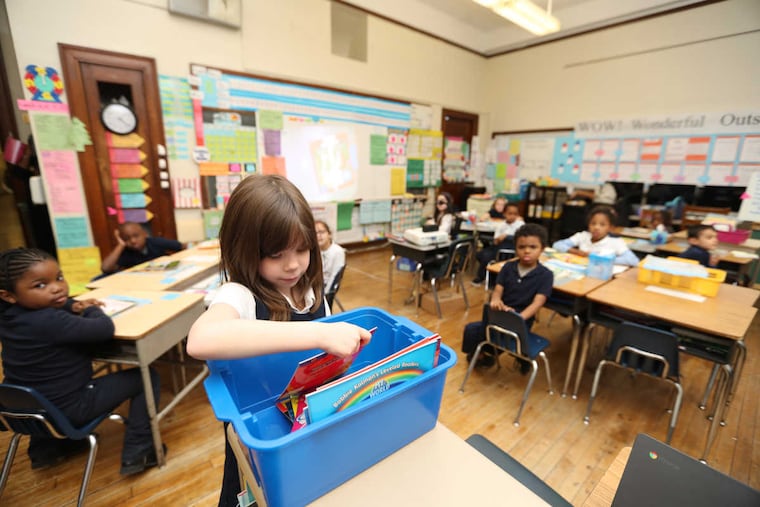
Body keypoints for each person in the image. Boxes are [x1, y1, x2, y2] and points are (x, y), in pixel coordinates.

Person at [186, 174, 372, 507]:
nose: (293, 265)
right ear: (242, 248)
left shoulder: (311, 290)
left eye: (303, 249)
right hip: (262, 437)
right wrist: (320, 332)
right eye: (276, 254)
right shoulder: (239, 295)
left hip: (309, 426)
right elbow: (201, 339)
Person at [0, 247, 161, 475]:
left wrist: (71, 305)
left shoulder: (8, 317)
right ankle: (139, 451)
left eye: (59, 277)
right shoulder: (49, 320)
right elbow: (104, 329)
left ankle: (45, 451)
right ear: (8, 295)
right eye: (40, 285)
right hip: (68, 409)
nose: (57, 287)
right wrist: (92, 310)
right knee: (145, 377)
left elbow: (51, 306)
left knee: (39, 386)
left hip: (24, 409)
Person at [461, 224, 553, 368]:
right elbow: (498, 290)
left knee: (486, 334)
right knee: (471, 330)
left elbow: (537, 303)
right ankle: (482, 355)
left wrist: (519, 318)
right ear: (515, 248)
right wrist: (496, 300)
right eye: (521, 247)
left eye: (533, 247)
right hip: (499, 315)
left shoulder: (546, 275)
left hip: (522, 320)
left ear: (542, 249)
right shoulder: (508, 267)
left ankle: (520, 359)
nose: (527, 251)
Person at [552, 205, 639, 266]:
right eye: (593, 223)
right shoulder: (583, 236)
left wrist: (601, 259)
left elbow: (633, 260)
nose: (596, 227)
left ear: (610, 228)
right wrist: (577, 252)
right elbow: (557, 244)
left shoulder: (616, 242)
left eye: (602, 224)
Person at [472, 202, 525, 285]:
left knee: (487, 256)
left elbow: (521, 238)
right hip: (498, 247)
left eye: (515, 214)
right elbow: (496, 240)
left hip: (511, 249)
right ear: (504, 214)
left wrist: (507, 236)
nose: (512, 216)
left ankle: (481, 277)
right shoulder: (501, 225)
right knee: (480, 254)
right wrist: (497, 240)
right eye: (510, 213)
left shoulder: (520, 225)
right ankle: (490, 276)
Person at [100, 222, 184, 273]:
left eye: (136, 236)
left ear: (144, 234)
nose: (133, 241)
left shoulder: (155, 242)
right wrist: (121, 244)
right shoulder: (125, 251)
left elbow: (182, 246)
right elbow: (106, 268)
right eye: (127, 238)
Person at [315, 220, 346, 291]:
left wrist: (326, 294)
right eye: (315, 233)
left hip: (325, 287)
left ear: (329, 234)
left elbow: (334, 276)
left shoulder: (337, 252)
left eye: (321, 232)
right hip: (315, 285)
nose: (318, 236)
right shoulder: (314, 251)